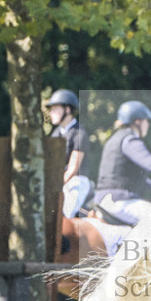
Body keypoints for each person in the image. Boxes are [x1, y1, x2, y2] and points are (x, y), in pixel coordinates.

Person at [44, 88, 92, 218]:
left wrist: (55, 186)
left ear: (67, 110)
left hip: (76, 181)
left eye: (55, 109)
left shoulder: (79, 133)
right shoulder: (55, 134)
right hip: (60, 182)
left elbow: (73, 168)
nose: (51, 113)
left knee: (65, 213)